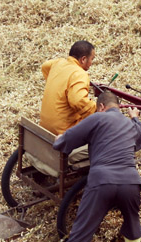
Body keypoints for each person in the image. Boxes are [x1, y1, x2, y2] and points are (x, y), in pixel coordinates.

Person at [53, 91, 141, 242]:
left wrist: (59, 141)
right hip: (130, 182)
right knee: (132, 220)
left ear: (101, 107)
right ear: (119, 107)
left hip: (102, 181)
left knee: (84, 225)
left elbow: (70, 138)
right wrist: (135, 118)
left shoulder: (97, 118)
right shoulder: (131, 124)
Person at [30, 41, 97, 177]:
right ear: (83, 59)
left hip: (45, 128)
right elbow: (77, 101)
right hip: (62, 132)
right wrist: (96, 110)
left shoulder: (58, 63)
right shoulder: (80, 74)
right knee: (98, 134)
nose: (91, 64)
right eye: (91, 59)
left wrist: (56, 82)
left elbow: (44, 66)